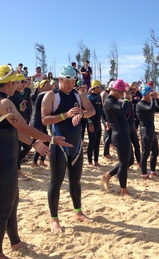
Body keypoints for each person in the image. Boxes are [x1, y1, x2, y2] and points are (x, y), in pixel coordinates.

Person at [0, 64, 70, 258]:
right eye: (16, 81)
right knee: (2, 209)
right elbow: (24, 127)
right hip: (3, 163)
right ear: (9, 82)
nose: (18, 85)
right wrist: (52, 139)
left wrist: (33, 142)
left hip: (3, 161)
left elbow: (14, 132)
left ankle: (14, 242)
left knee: (12, 204)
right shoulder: (4, 103)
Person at [41, 66, 94, 233]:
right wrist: (65, 115)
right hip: (58, 145)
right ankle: (54, 219)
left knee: (76, 181)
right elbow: (44, 120)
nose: (71, 84)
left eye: (73, 81)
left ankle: (78, 212)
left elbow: (92, 110)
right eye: (67, 81)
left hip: (76, 144)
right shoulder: (51, 96)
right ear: (60, 80)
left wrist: (82, 115)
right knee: (56, 182)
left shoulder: (79, 95)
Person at [100, 79, 133, 197]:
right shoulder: (109, 101)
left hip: (124, 134)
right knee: (124, 163)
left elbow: (125, 109)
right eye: (120, 91)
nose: (121, 93)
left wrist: (126, 99)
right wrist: (127, 99)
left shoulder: (115, 100)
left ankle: (107, 175)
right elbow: (124, 110)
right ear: (114, 89)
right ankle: (123, 190)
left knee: (130, 161)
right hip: (118, 135)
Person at [136, 85, 159, 180]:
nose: (152, 94)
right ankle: (144, 174)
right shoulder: (140, 104)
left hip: (151, 129)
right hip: (145, 130)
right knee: (145, 153)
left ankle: (152, 171)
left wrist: (157, 99)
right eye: (150, 93)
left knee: (155, 151)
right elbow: (151, 109)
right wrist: (152, 98)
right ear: (147, 94)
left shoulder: (149, 103)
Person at [30, 79, 52, 168]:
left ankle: (41, 161)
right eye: (47, 85)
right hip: (36, 122)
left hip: (41, 123)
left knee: (46, 142)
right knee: (41, 142)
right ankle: (34, 162)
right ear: (42, 87)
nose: (49, 86)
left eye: (49, 85)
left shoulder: (46, 95)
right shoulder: (42, 94)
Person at [86, 80, 103, 166]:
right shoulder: (90, 97)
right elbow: (87, 111)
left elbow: (101, 110)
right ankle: (89, 161)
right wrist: (89, 123)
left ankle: (96, 161)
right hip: (91, 123)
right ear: (95, 87)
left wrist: (106, 121)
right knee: (92, 142)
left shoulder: (99, 97)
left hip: (98, 123)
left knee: (97, 143)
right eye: (99, 87)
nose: (101, 88)